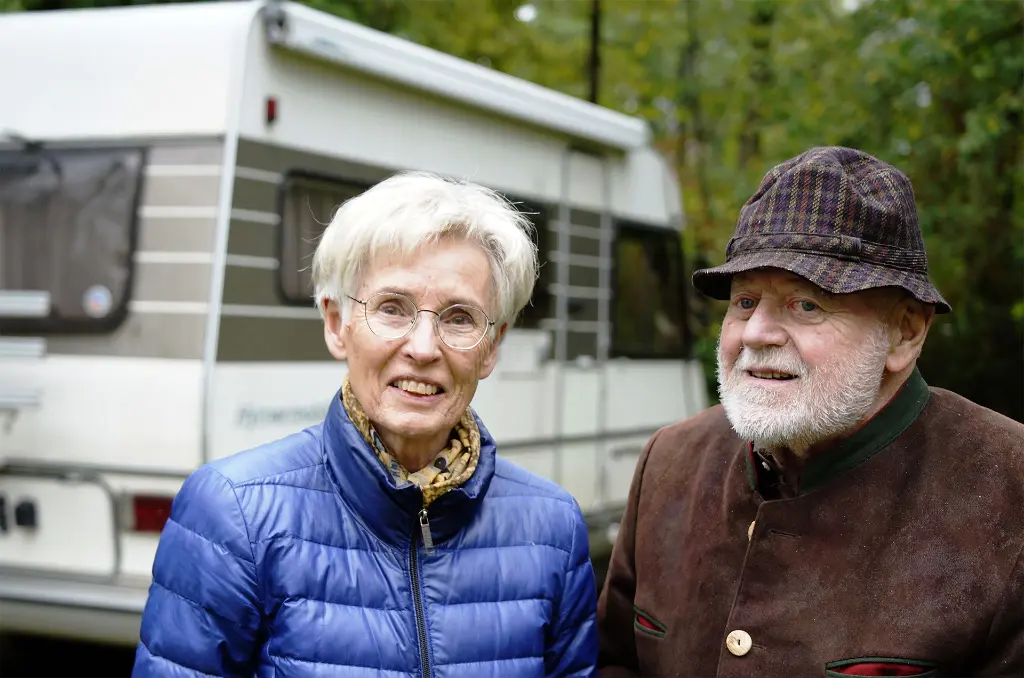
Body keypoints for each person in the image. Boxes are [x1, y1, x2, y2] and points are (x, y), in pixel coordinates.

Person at [133, 172, 598, 677]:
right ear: (336, 324)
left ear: (492, 346)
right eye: (392, 309)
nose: (423, 348)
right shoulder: (234, 515)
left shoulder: (552, 530)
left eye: (460, 317)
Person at [596, 146, 1024, 677]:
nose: (754, 334)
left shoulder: (1010, 490)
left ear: (906, 330)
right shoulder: (672, 461)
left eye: (807, 304)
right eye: (744, 301)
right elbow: (616, 662)